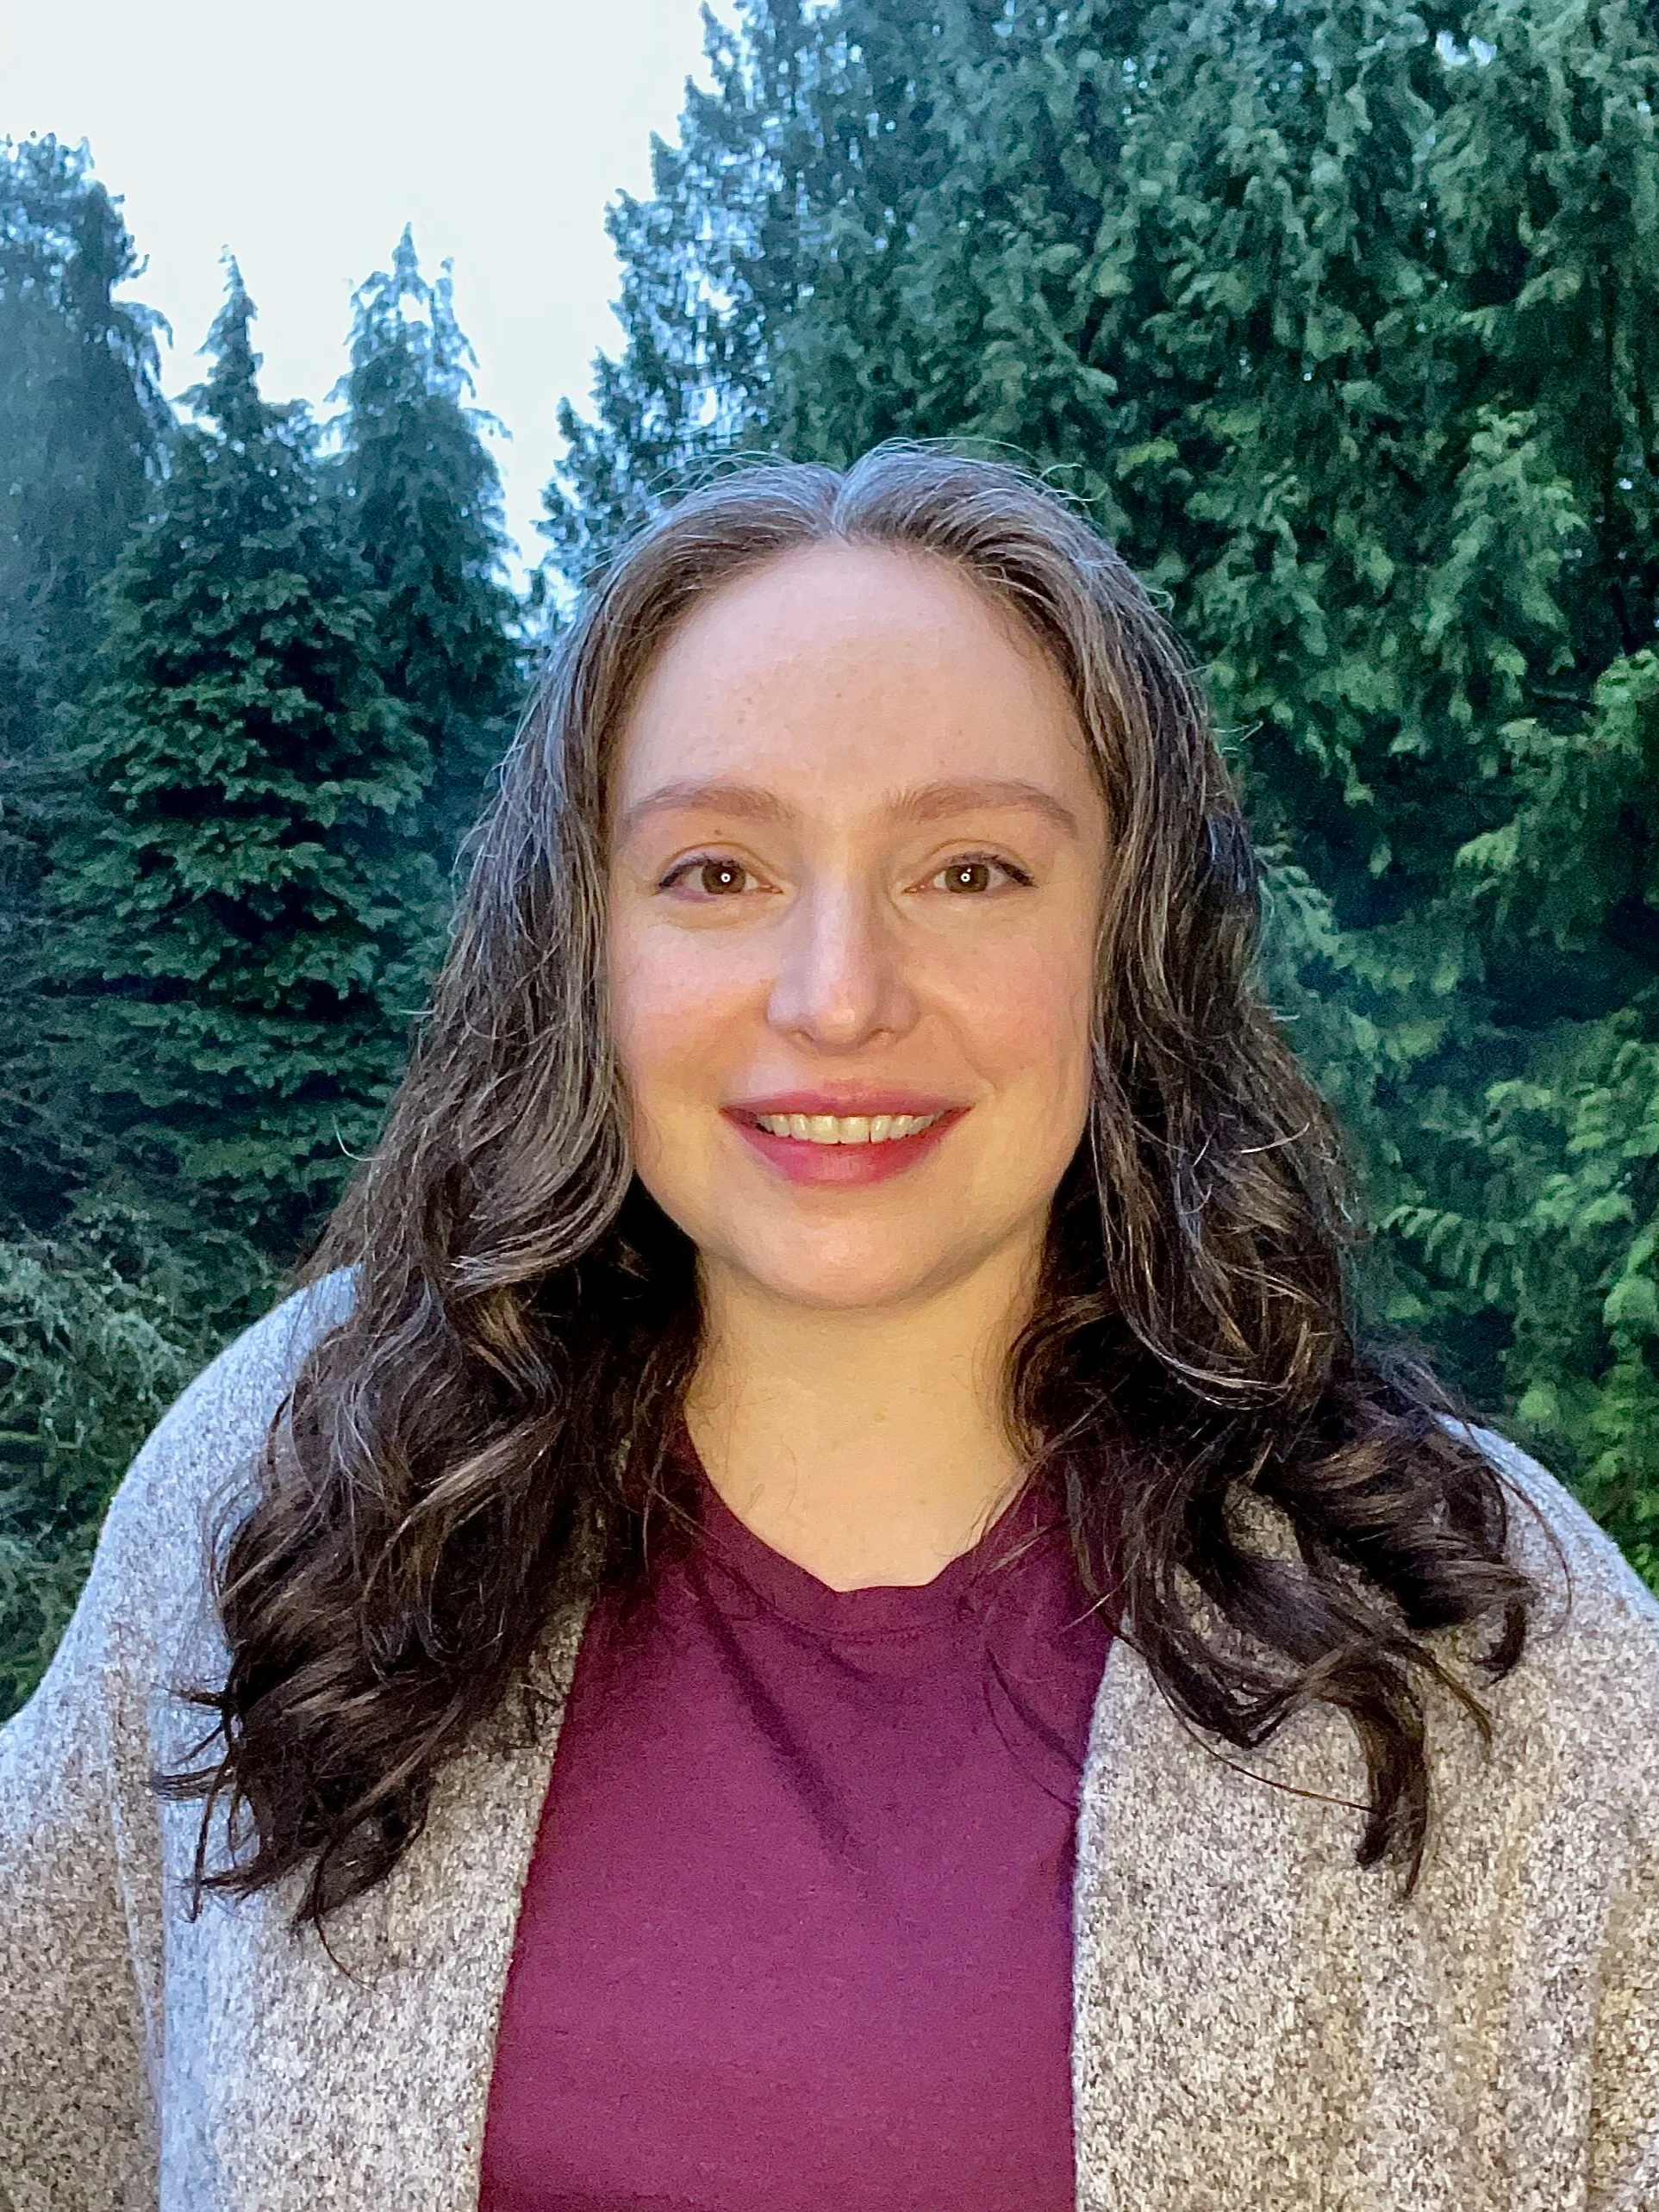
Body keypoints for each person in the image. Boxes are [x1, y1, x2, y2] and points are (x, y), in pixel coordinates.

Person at [2, 446, 1656, 2212]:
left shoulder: (1472, 1622)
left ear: (1127, 941)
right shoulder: (305, 1471)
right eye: (717, 872)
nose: (838, 994)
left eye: (970, 870)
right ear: (581, 946)